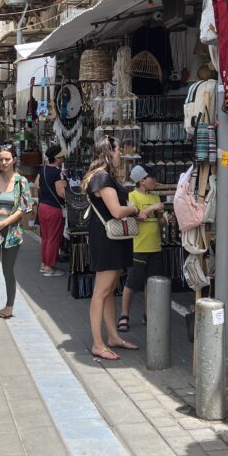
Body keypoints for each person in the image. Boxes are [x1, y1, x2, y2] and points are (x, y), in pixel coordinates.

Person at [81, 137, 139, 361]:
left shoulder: (102, 177)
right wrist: (133, 209)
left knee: (109, 289)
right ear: (107, 152)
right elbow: (116, 211)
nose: (120, 155)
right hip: (107, 239)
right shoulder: (102, 177)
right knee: (102, 291)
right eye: (117, 151)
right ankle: (98, 343)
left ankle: (112, 336)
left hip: (111, 238)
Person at [0, 144, 32, 329]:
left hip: (11, 233)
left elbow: (24, 208)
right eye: (1, 159)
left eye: (7, 159)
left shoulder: (21, 182)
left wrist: (3, 223)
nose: (3, 162)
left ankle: (9, 307)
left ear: (14, 160)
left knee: (8, 270)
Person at [119, 165, 165, 332]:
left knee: (151, 284)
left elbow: (159, 222)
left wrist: (166, 219)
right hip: (138, 246)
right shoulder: (131, 197)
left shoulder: (156, 197)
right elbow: (138, 217)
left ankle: (149, 315)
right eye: (152, 177)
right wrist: (153, 208)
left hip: (155, 246)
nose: (155, 181)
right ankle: (124, 315)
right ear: (142, 180)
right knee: (132, 282)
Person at [34, 145, 67, 276]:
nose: (63, 158)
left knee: (46, 237)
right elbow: (61, 193)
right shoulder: (57, 172)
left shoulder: (43, 169)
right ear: (57, 158)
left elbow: (37, 183)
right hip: (54, 208)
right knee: (54, 238)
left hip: (43, 206)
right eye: (62, 156)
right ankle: (49, 268)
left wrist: (46, 192)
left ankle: (44, 264)